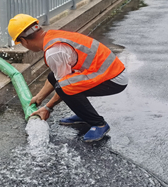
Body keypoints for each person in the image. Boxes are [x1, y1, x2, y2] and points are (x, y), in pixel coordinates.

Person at [8, 14, 128, 143]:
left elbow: (64, 86)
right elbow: (57, 76)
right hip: (108, 71)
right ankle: (84, 115)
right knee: (55, 79)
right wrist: (39, 97)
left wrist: (47, 108)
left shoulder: (54, 52)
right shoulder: (53, 36)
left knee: (64, 88)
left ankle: (99, 124)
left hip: (113, 79)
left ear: (24, 41)